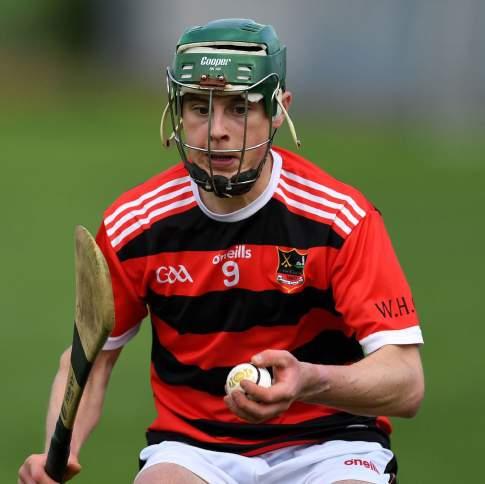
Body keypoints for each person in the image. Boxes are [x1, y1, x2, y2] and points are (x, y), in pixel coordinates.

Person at [18, 18, 425, 484]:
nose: (217, 131)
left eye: (239, 108)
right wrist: (58, 451)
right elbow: (91, 360)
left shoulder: (340, 219)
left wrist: (309, 381)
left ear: (279, 110)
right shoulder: (136, 225)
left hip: (330, 442)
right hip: (196, 447)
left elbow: (406, 381)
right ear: (176, 112)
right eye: (199, 107)